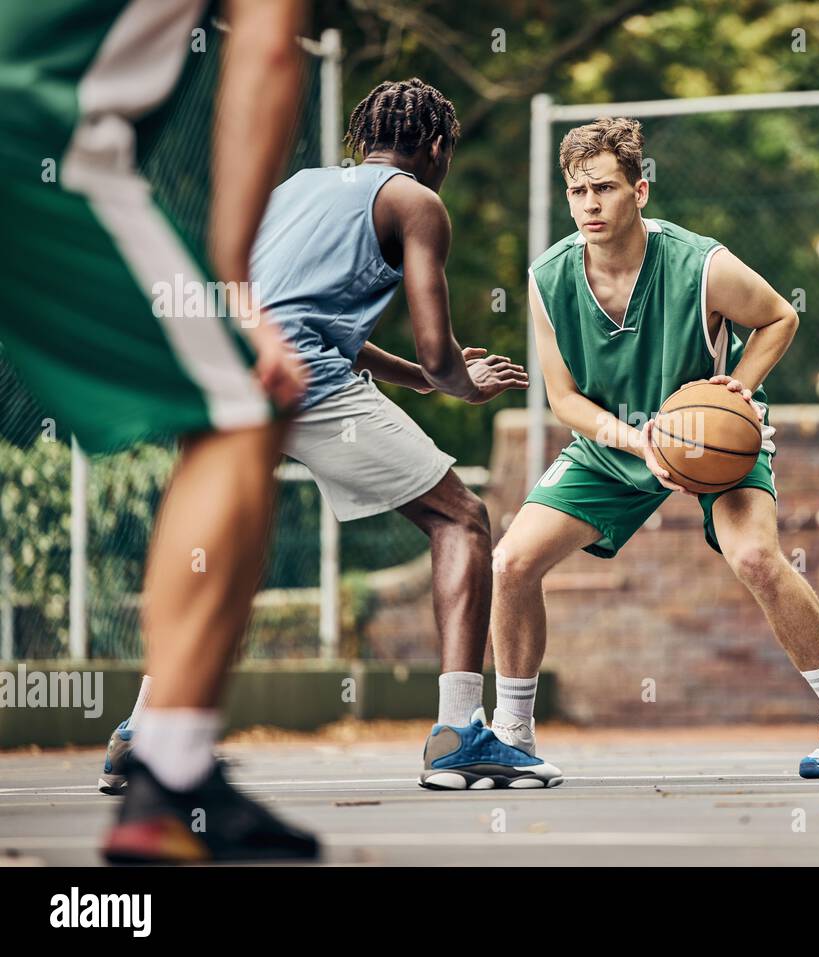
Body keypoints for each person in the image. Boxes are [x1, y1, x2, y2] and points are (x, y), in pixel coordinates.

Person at [99, 78, 563, 793]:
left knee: (220, 548)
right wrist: (458, 381)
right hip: (303, 379)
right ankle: (460, 732)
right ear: (435, 146)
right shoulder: (417, 202)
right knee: (462, 518)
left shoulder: (299, 187)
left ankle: (145, 729)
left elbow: (297, 309)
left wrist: (416, 377)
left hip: (224, 366)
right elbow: (440, 352)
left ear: (364, 139)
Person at [0, 0, 321, 860]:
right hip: (36, 135)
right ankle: (170, 777)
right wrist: (231, 282)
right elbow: (266, 47)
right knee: (243, 407)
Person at [490, 118, 819, 776]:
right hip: (615, 441)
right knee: (511, 562)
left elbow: (781, 316)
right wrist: (640, 439)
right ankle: (513, 735)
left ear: (641, 190)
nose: (589, 204)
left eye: (604, 187)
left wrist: (732, 395)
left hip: (712, 437)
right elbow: (565, 399)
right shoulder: (548, 279)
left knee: (757, 559)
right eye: (576, 192)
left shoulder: (700, 264)